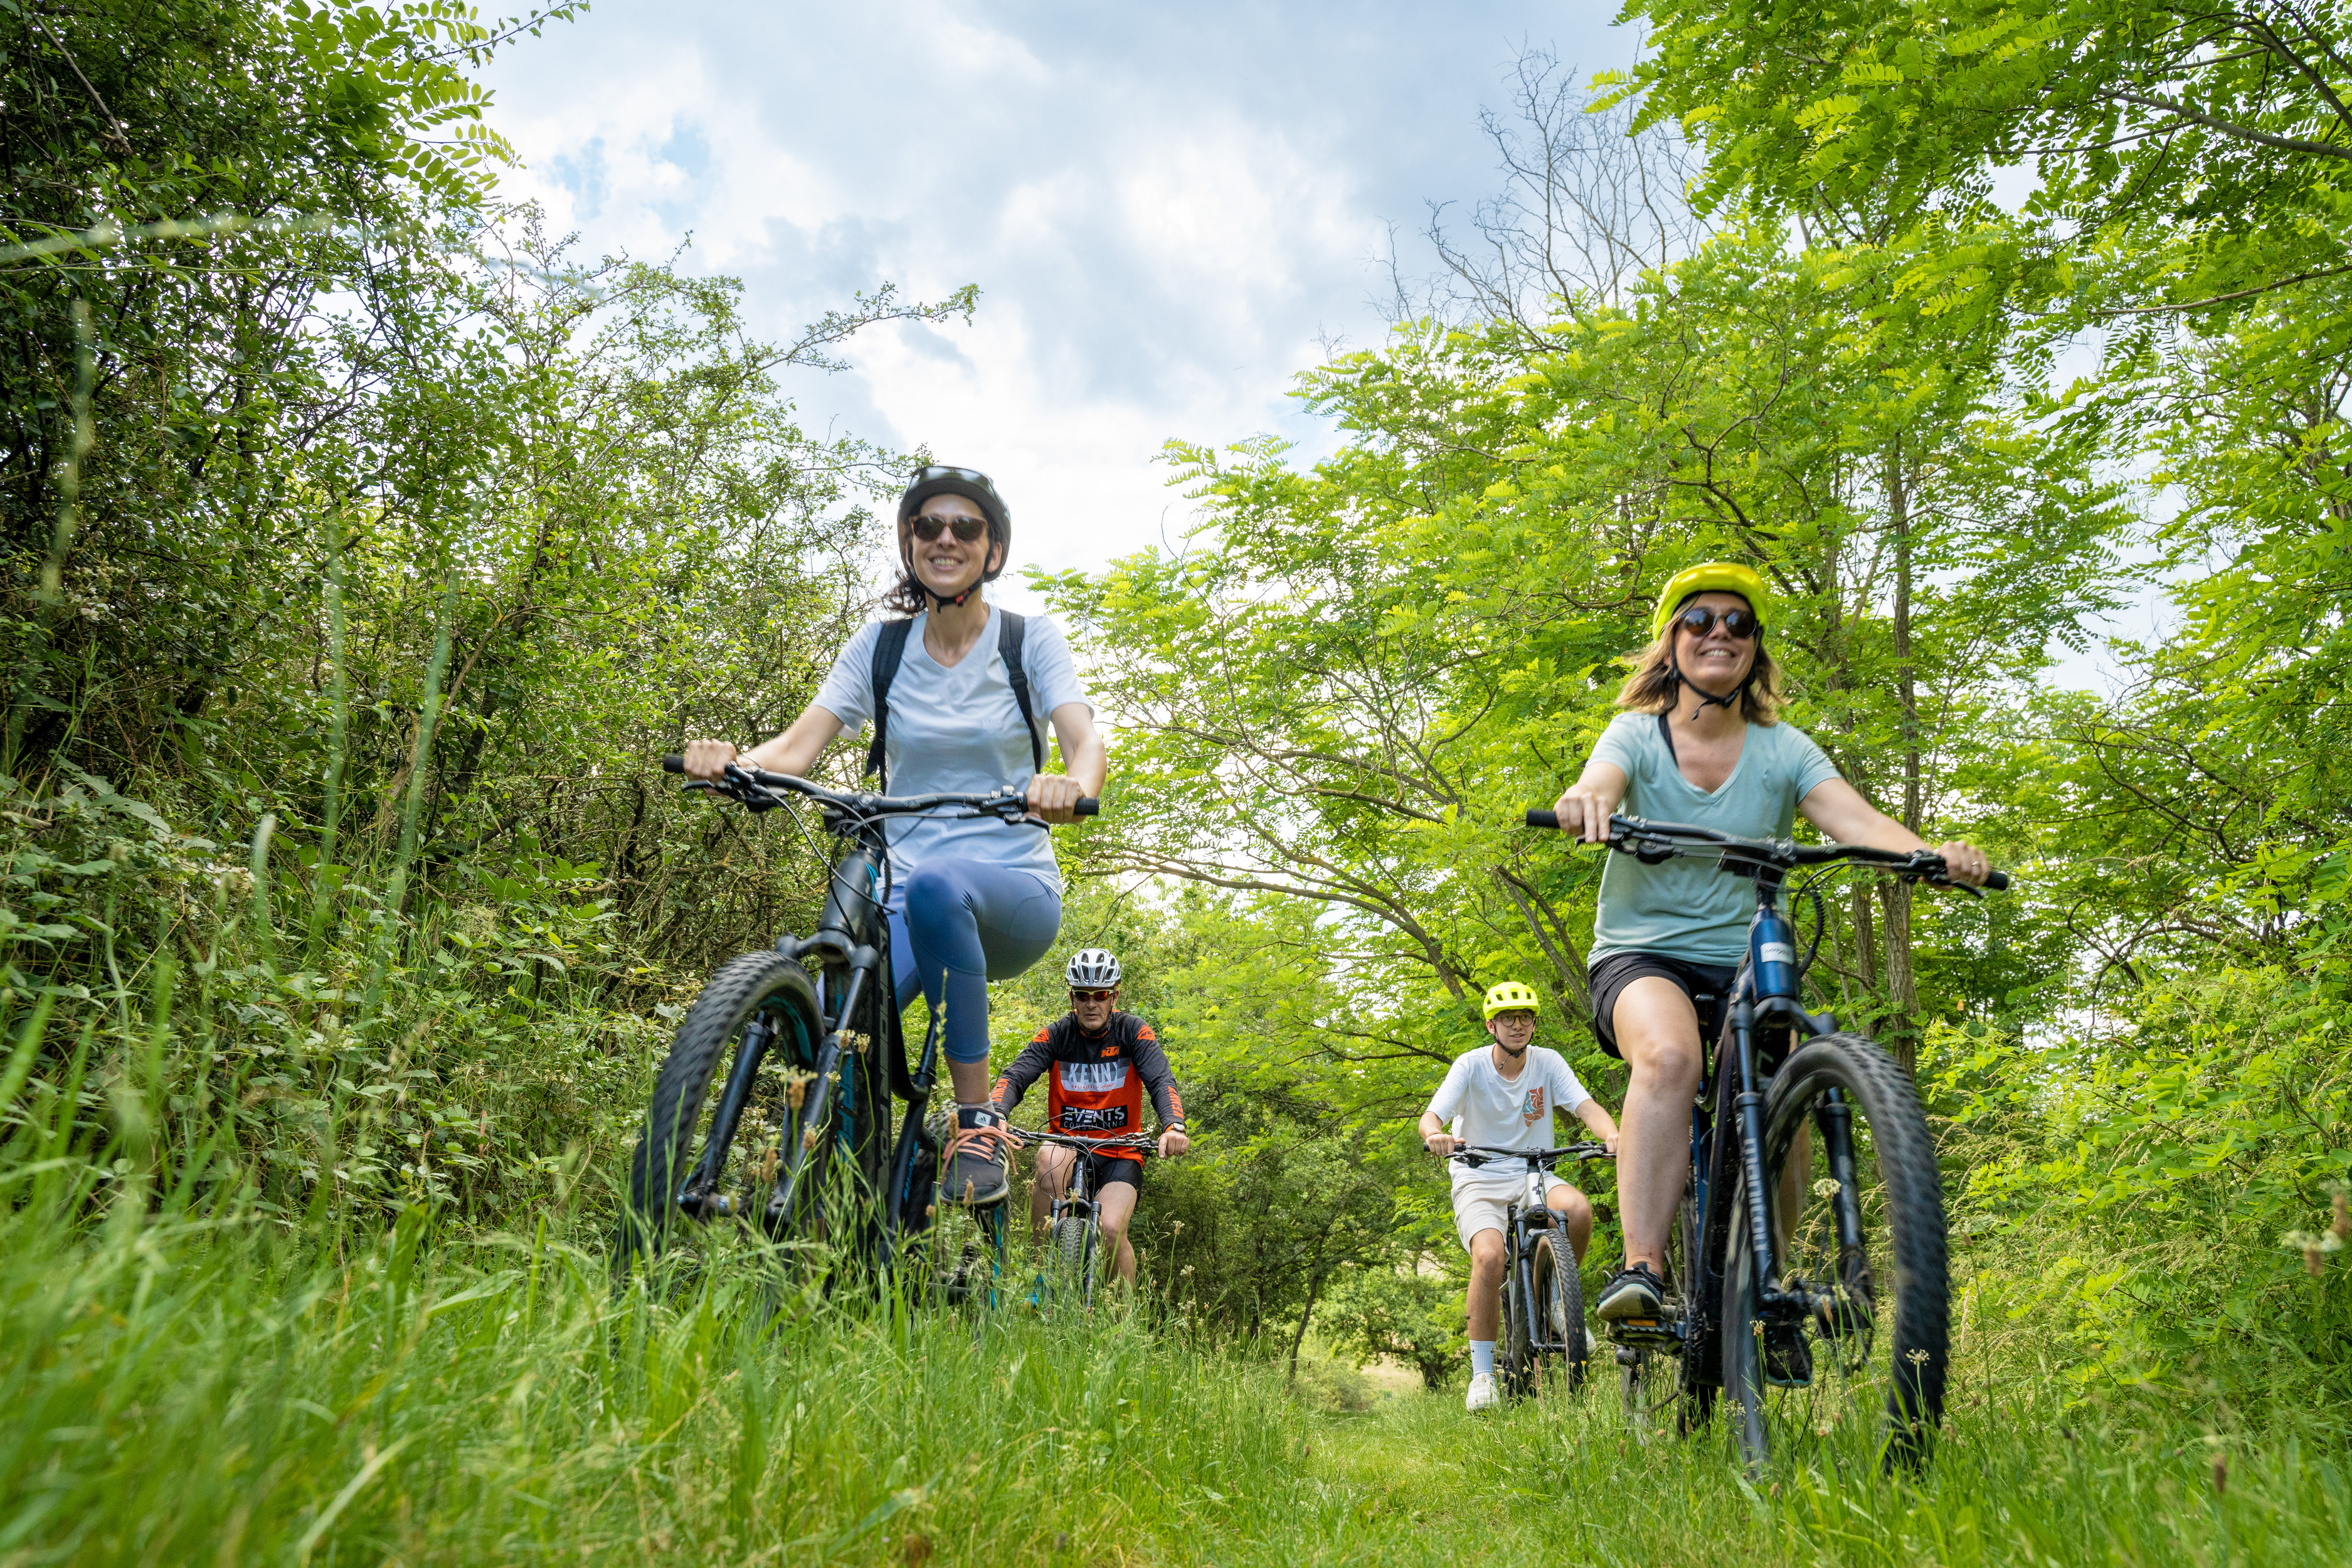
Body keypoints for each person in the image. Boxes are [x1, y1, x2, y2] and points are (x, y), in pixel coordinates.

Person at [1548, 561, 1989, 1384]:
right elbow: (1597, 782)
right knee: (1672, 1058)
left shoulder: (1784, 750)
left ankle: (1762, 1284)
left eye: (1738, 624)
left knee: (1780, 1090)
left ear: (1754, 650)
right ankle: (1640, 1269)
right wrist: (1586, 804)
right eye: (1699, 620)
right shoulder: (1635, 737)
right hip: (1642, 956)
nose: (1720, 633)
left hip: (1742, 959)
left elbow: (1855, 821)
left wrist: (1933, 856)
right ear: (1670, 645)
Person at [681, 465, 1105, 1207]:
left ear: (992, 552)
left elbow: (1084, 738)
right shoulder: (881, 649)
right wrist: (734, 762)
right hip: (902, 895)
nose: (945, 538)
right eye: (927, 526)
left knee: (943, 882)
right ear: (910, 543)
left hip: (1012, 893)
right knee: (824, 1014)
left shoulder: (1028, 641)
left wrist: (1072, 784)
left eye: (965, 527)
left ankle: (975, 1123)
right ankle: (832, 1194)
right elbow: (796, 746)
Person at [1419, 980, 1621, 1413]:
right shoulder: (1470, 1066)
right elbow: (1432, 1116)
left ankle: (1552, 1300)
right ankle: (1484, 1375)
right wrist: (1435, 1136)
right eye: (1509, 1019)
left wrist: (1612, 1135)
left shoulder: (1547, 1063)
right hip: (1479, 1175)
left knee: (1579, 1210)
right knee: (1490, 1258)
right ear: (1491, 1025)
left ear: (1533, 1024)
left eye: (1525, 1018)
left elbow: (1586, 1107)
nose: (1518, 1026)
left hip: (1534, 1171)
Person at [990, 948, 1190, 1285]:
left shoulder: (1133, 1032)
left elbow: (1160, 1080)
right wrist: (996, 1112)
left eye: (1100, 994)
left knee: (1110, 1229)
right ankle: (1041, 1277)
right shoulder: (1056, 1034)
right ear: (1073, 997)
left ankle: (1123, 1323)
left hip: (1120, 1152)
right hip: (1067, 1144)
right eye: (1083, 995)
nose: (1091, 1003)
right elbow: (1015, 1076)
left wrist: (1174, 1125)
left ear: (1114, 995)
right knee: (1046, 1157)